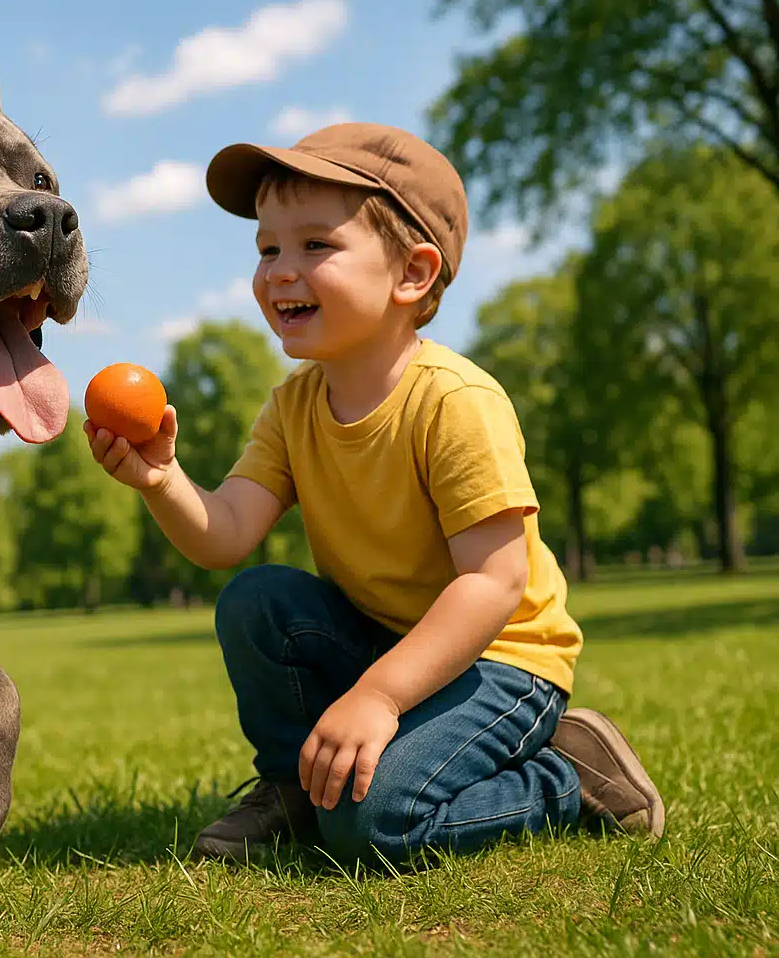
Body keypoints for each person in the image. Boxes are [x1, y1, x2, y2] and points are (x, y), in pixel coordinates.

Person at [84, 123, 664, 866]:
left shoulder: (455, 401)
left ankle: (565, 775)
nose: (279, 271)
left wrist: (380, 697)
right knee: (257, 600)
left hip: (502, 659)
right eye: (267, 250)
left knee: (374, 825)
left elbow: (495, 582)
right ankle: (296, 785)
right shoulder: (292, 409)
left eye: (314, 246)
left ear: (412, 275)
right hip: (387, 644)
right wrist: (161, 479)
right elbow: (225, 535)